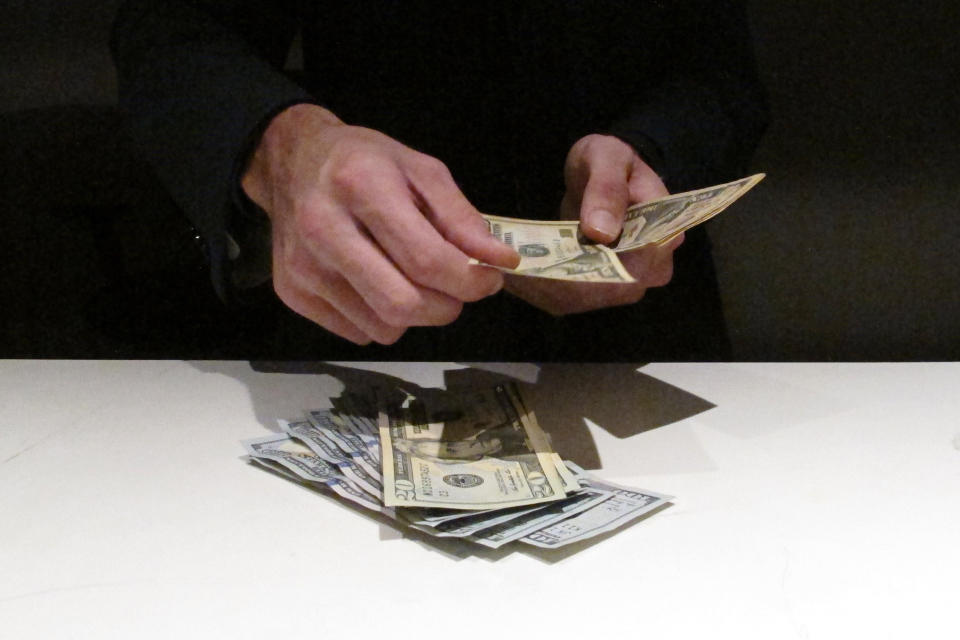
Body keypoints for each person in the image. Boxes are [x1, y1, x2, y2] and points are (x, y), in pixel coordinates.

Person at [110, 1, 768, 361]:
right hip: (363, 312)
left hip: (642, 343)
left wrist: (648, 153)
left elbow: (721, 70)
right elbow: (172, 29)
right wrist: (287, 148)